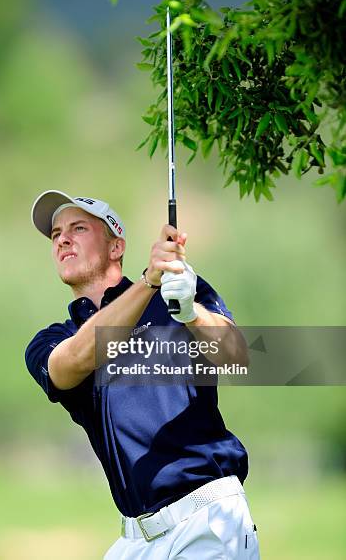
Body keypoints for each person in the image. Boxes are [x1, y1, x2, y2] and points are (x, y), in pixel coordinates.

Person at [25, 189, 260, 559]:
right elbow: (72, 362)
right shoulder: (55, 339)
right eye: (56, 235)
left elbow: (238, 355)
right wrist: (148, 282)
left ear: (116, 246)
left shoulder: (176, 293)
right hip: (136, 538)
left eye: (79, 228)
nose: (63, 239)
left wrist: (191, 314)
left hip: (206, 519)